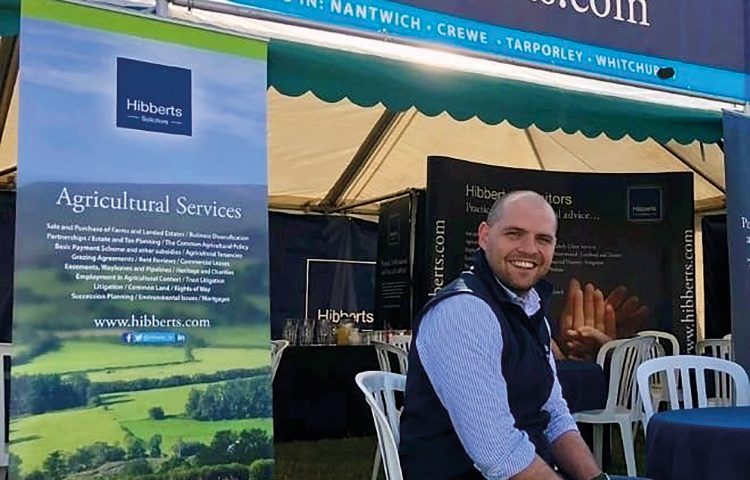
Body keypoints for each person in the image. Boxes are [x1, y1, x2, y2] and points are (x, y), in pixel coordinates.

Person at [399, 190, 617, 480]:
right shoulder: (464, 312)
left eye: (543, 239)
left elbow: (554, 415)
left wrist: (596, 479)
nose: (529, 249)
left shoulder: (528, 307)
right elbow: (500, 454)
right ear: (484, 236)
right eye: (514, 234)